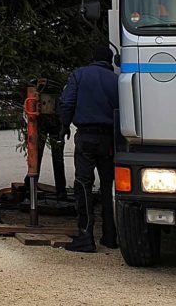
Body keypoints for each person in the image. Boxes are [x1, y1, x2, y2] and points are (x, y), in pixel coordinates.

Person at [58, 44, 119, 253]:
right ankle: (111, 235)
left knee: (83, 184)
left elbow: (67, 102)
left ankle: (85, 236)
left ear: (92, 58)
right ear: (109, 61)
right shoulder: (116, 80)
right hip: (109, 140)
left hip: (85, 137)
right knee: (109, 185)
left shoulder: (80, 75)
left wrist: (64, 125)